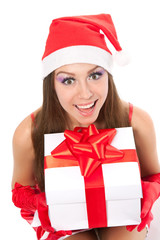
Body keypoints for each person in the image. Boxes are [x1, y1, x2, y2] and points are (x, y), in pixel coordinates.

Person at [12, 14, 160, 240]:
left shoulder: (137, 121)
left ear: (108, 75)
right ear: (51, 84)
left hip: (122, 212)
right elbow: (19, 192)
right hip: (61, 221)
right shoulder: (29, 133)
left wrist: (152, 191)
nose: (85, 93)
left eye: (94, 75)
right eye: (69, 80)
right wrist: (40, 204)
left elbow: (155, 175)